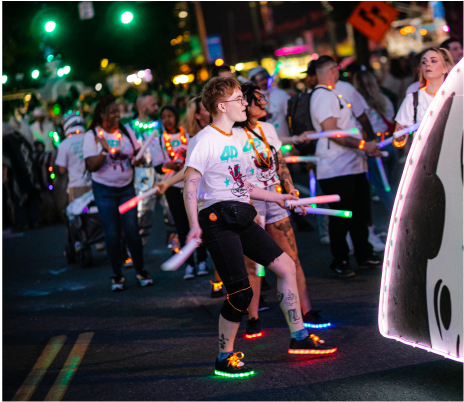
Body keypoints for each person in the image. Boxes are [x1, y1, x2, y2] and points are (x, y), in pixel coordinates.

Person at [183, 77, 336, 377]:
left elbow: (245, 184)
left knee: (286, 267)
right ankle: (223, 357)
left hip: (241, 215)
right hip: (217, 220)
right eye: (240, 99)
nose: (245, 104)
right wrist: (192, 225)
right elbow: (190, 185)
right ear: (221, 105)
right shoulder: (204, 140)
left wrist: (280, 197)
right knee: (240, 293)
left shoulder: (235, 139)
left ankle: (299, 337)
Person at [235, 82, 331, 336]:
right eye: (259, 99)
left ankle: (306, 310)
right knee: (253, 265)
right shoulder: (232, 135)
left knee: (292, 257)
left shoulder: (267, 129)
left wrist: (291, 192)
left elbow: (279, 162)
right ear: (245, 104)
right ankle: (253, 317)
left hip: (276, 199)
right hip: (249, 201)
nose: (265, 103)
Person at [309, 56, 382, 278]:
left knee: (360, 214)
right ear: (332, 70)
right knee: (341, 216)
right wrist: (363, 144)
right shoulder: (322, 96)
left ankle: (363, 254)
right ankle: (339, 260)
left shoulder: (332, 93)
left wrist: (364, 147)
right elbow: (333, 131)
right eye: (336, 68)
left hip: (353, 165)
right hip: (336, 167)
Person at [83, 95, 153, 291]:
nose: (117, 115)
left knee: (132, 230)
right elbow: (91, 166)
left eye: (118, 111)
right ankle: (117, 275)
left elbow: (136, 156)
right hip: (104, 191)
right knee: (112, 233)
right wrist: (105, 151)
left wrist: (137, 161)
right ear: (102, 114)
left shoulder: (126, 130)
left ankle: (140, 271)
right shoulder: (93, 135)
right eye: (112, 112)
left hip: (126, 189)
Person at [152, 105, 209, 280]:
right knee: (181, 225)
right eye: (164, 117)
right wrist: (170, 166)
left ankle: (202, 260)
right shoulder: (159, 140)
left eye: (170, 115)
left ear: (177, 117)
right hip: (173, 188)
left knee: (197, 222)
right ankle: (189, 264)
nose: (167, 120)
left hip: (192, 185)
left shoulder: (189, 136)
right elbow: (158, 167)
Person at [353, 70, 398, 214]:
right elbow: (392, 118)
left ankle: (399, 221)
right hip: (390, 142)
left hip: (374, 145)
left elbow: (358, 126)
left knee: (383, 188)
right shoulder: (384, 99)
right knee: (390, 185)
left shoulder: (358, 104)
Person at [394, 48, 454, 150]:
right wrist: (400, 138)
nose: (428, 64)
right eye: (424, 62)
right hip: (426, 160)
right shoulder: (413, 100)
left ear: (445, 68)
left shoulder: (456, 97)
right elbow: (397, 142)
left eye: (433, 61)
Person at [125, 93, 162, 250]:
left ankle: (176, 245)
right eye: (153, 105)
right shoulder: (129, 129)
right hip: (141, 176)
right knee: (142, 213)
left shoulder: (161, 125)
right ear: (142, 107)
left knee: (171, 211)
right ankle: (133, 250)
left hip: (163, 173)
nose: (156, 108)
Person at [2, 116, 40, 230]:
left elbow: (6, 160)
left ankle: (22, 223)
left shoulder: (6, 140)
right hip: (30, 171)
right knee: (31, 196)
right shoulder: (21, 137)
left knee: (19, 198)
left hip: (17, 173)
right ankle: (35, 221)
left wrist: (4, 175)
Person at [55, 111, 92, 203]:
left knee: (76, 213)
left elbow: (61, 170)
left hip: (75, 186)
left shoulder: (64, 144)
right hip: (92, 184)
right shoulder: (90, 139)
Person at [248, 66, 290, 137]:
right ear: (253, 81)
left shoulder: (281, 94)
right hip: (263, 142)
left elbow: (290, 115)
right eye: (261, 79)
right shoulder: (248, 99)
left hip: (285, 140)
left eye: (266, 78)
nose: (265, 81)